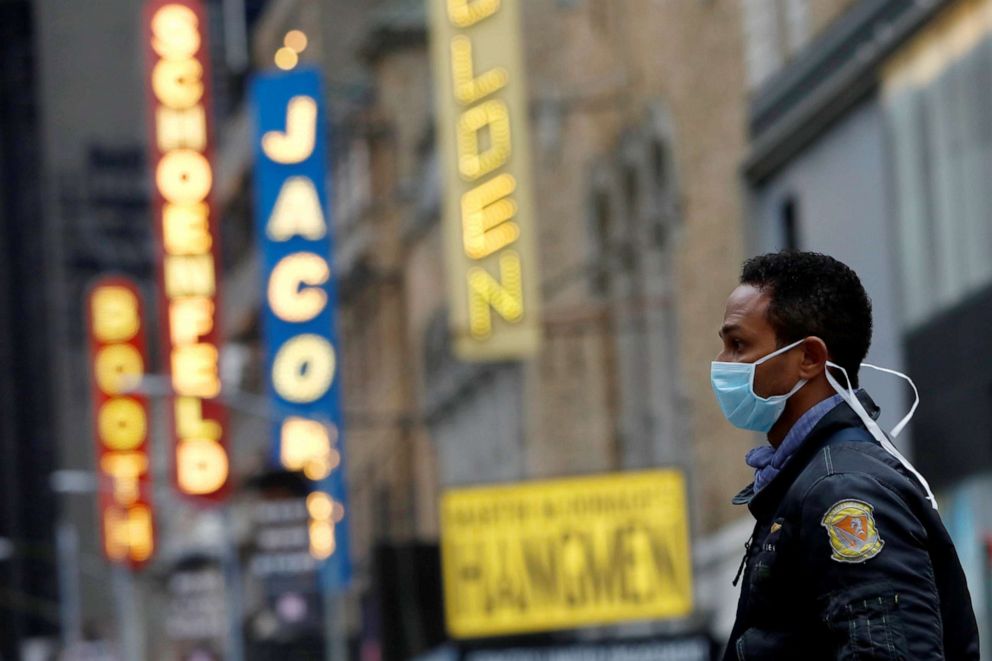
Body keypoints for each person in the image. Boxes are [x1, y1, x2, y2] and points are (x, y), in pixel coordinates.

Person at [712, 251, 979, 660]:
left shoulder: (843, 490)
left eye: (738, 345)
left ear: (810, 358)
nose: (722, 364)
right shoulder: (808, 479)